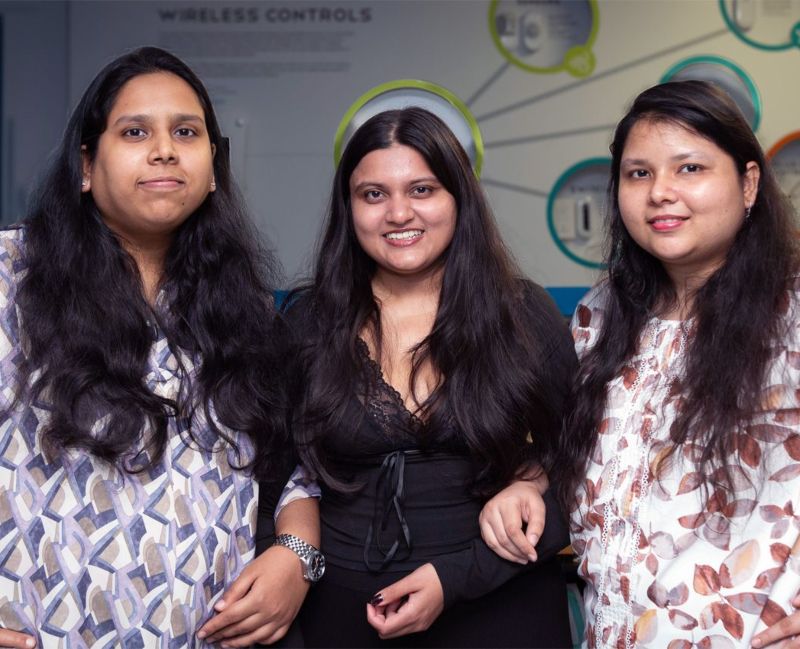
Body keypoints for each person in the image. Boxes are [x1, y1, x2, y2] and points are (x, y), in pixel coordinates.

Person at [0, 47, 318, 649]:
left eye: (186, 132)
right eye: (135, 131)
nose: (165, 149)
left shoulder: (240, 311)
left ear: (214, 166)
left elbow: (295, 467)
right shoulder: (13, 275)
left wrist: (296, 559)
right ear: (86, 167)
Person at [479, 79, 800, 648]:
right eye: (639, 173)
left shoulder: (791, 310)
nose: (661, 193)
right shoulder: (598, 317)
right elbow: (569, 452)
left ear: (749, 183)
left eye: (690, 169)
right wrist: (528, 481)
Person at [280, 106, 577, 647]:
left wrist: (459, 575)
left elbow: (583, 473)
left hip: (501, 606)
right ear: (349, 208)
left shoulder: (523, 314)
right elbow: (271, 478)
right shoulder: (306, 324)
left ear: (459, 200)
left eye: (422, 189)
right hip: (343, 618)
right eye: (373, 195)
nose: (398, 213)